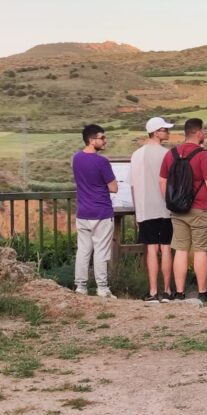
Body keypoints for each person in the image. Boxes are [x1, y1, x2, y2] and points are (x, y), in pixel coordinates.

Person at [159, 118, 207, 302]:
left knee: (180, 250)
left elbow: (163, 181)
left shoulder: (171, 154)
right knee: (200, 250)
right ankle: (202, 292)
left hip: (178, 211)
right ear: (198, 132)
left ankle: (179, 292)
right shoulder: (203, 155)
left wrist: (171, 201)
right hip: (201, 208)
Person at [130, 117, 175, 303]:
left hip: (145, 208)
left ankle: (153, 291)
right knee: (166, 247)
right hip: (165, 207)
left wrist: (137, 211)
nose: (168, 132)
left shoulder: (136, 154)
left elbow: (132, 185)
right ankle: (167, 290)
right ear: (156, 132)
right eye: (165, 129)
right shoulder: (168, 154)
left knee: (151, 248)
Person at [72, 124, 118, 298]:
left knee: (83, 251)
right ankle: (102, 288)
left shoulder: (76, 158)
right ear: (91, 140)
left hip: (83, 211)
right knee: (101, 251)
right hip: (101, 212)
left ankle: (81, 286)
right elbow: (113, 188)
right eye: (102, 138)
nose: (105, 141)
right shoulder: (102, 162)